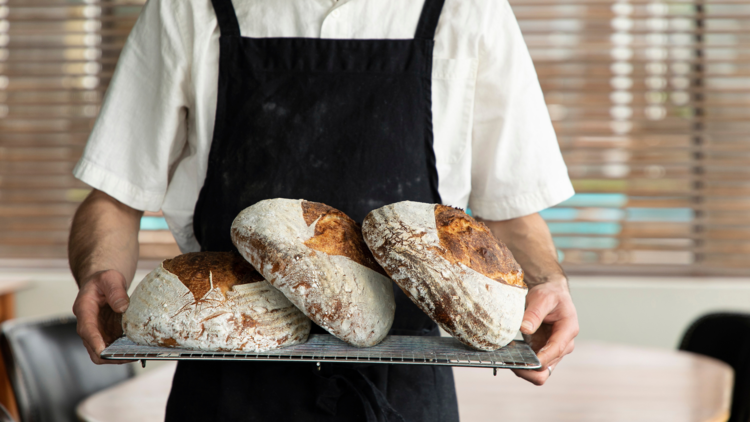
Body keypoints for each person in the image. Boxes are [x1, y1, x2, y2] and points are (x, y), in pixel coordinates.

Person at [69, 0, 579, 420]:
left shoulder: (468, 10)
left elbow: (511, 211)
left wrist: (547, 284)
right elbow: (115, 195)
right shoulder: (190, 8)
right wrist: (99, 273)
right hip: (229, 378)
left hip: (403, 388)